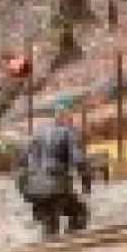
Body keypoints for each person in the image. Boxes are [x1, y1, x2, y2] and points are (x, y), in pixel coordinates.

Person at [15, 102, 92, 238]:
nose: (72, 121)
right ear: (65, 118)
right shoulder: (68, 133)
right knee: (79, 213)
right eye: (70, 117)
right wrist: (86, 182)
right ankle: (70, 242)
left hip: (33, 188)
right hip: (55, 185)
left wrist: (24, 187)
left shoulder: (37, 134)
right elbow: (79, 160)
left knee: (49, 220)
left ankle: (50, 238)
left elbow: (21, 160)